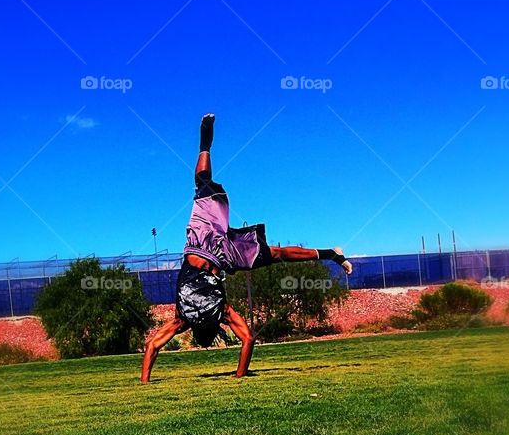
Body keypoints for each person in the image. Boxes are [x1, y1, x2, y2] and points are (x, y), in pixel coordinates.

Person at [141, 114, 354, 383]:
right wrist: (238, 376)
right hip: (225, 255)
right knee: (275, 254)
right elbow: (248, 339)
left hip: (201, 242)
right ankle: (331, 253)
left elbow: (152, 346)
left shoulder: (183, 319)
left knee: (203, 185)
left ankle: (204, 144)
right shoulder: (219, 314)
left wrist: (145, 381)